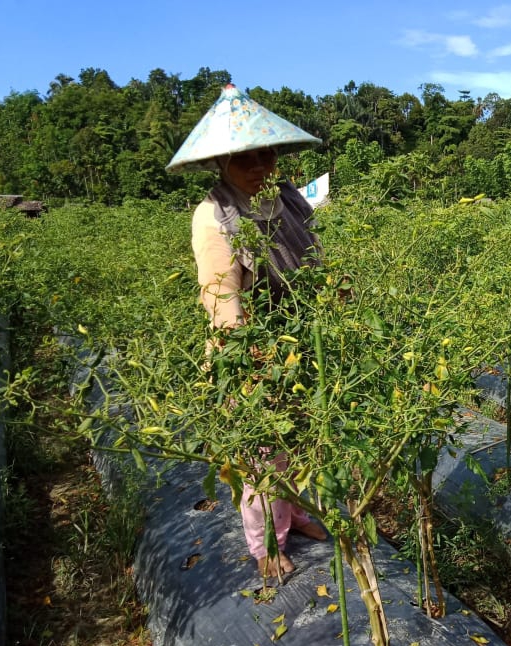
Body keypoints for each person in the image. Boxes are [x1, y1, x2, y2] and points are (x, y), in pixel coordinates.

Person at [167, 84, 328, 580]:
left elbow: (316, 257)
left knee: (301, 440)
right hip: (251, 347)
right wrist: (251, 358)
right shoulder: (214, 215)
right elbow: (222, 299)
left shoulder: (287, 201)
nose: (260, 166)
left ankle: (296, 513)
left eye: (268, 154)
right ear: (221, 163)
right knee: (263, 453)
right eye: (246, 158)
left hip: (300, 338)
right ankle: (267, 545)